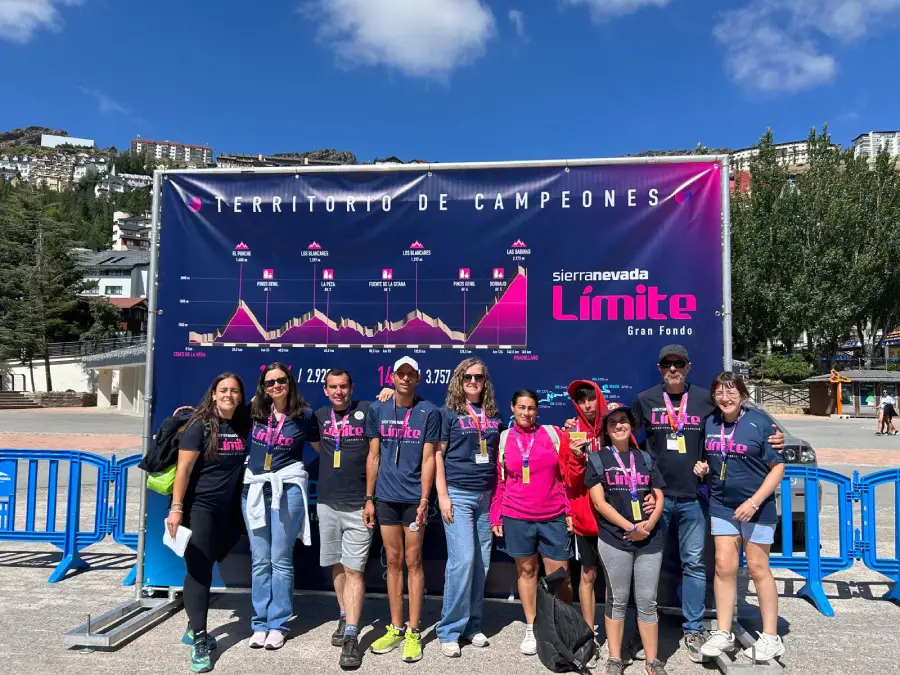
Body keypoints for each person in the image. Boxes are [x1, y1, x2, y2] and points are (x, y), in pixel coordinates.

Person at [626, 344, 784, 662]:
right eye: (667, 364)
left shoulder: (706, 403)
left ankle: (695, 628)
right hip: (655, 499)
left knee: (697, 566)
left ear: (688, 366)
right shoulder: (644, 400)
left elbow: (737, 432)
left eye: (679, 363)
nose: (673, 368)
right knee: (648, 566)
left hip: (696, 499)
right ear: (659, 368)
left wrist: (774, 436)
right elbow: (624, 438)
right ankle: (644, 629)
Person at [166, 373, 251, 674]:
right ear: (213, 394)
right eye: (223, 390)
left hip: (229, 513)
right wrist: (177, 509)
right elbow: (184, 469)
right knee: (199, 570)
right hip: (198, 508)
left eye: (234, 391)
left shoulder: (243, 424)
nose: (228, 395)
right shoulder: (199, 425)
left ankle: (194, 622)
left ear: (241, 396)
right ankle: (199, 637)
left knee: (214, 558)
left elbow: (280, 403)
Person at [698, 372, 786, 662]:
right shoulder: (710, 422)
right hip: (722, 505)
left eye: (731, 392)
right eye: (720, 393)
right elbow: (715, 460)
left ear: (743, 395)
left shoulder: (760, 424)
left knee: (759, 567)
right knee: (724, 566)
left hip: (757, 507)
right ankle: (723, 632)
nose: (726, 398)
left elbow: (777, 468)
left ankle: (771, 637)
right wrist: (703, 470)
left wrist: (754, 501)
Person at [364, 356, 442, 663]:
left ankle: (413, 631)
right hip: (384, 497)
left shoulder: (429, 412)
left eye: (411, 374)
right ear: (393, 377)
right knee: (393, 560)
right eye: (401, 374)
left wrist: (425, 501)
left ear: (418, 379)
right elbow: (373, 456)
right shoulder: (378, 409)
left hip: (413, 500)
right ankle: (395, 627)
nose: (406, 379)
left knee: (414, 560)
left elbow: (428, 459)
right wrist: (368, 498)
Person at [585, 404, 668, 675]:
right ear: (606, 431)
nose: (619, 426)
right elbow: (599, 503)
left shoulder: (644, 458)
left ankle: (652, 661)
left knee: (647, 600)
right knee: (617, 599)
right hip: (614, 538)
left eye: (623, 421)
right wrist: (631, 526)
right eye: (612, 423)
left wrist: (649, 523)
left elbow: (658, 495)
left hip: (649, 538)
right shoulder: (597, 460)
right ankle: (615, 658)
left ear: (631, 426)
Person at [242, 363, 320, 650]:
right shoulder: (253, 413)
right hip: (254, 490)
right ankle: (259, 623)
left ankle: (278, 623)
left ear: (290, 382)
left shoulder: (305, 415)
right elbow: (220, 412)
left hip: (287, 490)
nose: (276, 386)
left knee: (281, 559)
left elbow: (322, 448)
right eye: (269, 382)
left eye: (281, 381)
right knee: (260, 560)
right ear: (263, 386)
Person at [490, 388, 573, 656]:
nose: (526, 413)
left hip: (553, 516)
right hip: (517, 516)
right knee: (527, 572)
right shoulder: (504, 439)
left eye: (531, 408)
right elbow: (500, 480)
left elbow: (568, 475)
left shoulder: (552, 435)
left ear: (537, 411)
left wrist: (569, 511)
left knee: (560, 578)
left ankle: (564, 627)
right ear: (512, 408)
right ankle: (532, 627)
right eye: (521, 407)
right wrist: (496, 513)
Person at [435, 358, 503, 657]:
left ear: (485, 381)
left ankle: (471, 625)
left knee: (480, 564)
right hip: (458, 496)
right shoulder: (447, 413)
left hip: (485, 497)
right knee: (461, 562)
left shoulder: (493, 414)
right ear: (458, 380)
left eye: (478, 377)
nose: (473, 381)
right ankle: (448, 629)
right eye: (467, 377)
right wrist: (443, 496)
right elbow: (437, 456)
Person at [313, 368, 374, 670]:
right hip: (327, 503)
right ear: (325, 390)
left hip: (358, 505)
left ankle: (352, 635)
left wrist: (370, 499)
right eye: (332, 387)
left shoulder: (367, 410)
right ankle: (343, 614)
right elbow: (315, 446)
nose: (338, 391)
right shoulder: (319, 416)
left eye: (343, 386)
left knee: (354, 570)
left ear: (351, 388)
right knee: (337, 564)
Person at [558, 380, 609, 662]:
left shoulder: (614, 425)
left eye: (592, 399)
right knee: (588, 574)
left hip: (616, 518)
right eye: (582, 401)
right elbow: (568, 479)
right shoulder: (570, 433)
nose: (588, 405)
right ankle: (589, 635)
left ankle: (617, 633)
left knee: (617, 579)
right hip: (586, 518)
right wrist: (577, 457)